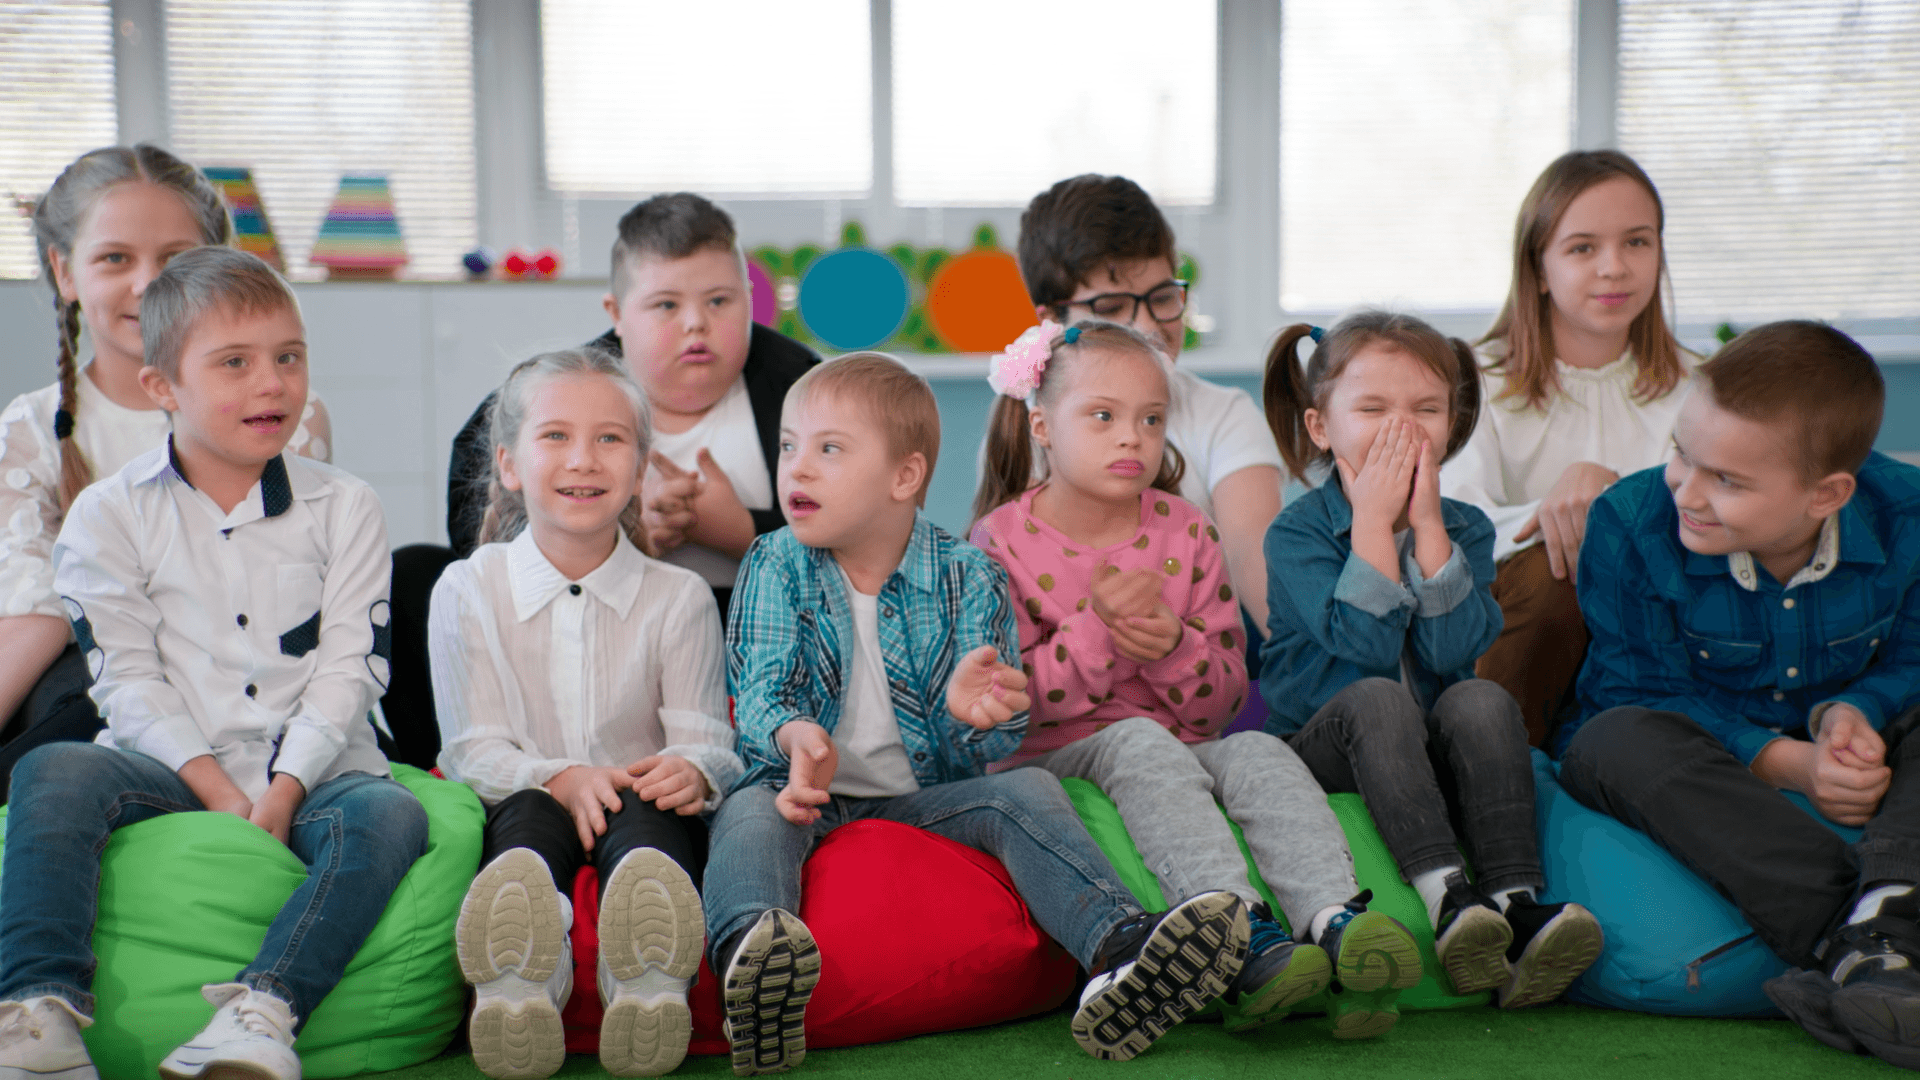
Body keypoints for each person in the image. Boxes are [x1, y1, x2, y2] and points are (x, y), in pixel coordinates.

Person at [707, 354, 1248, 1074]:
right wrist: (794, 734)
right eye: (788, 447)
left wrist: (979, 713)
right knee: (749, 815)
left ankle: (1119, 948)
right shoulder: (774, 562)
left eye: (828, 449)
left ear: (904, 477)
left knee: (1025, 788)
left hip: (920, 797)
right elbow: (761, 688)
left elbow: (991, 736)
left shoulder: (970, 575)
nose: (796, 470)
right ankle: (755, 966)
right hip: (804, 788)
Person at [0, 246, 424, 1080]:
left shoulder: (346, 506)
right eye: (235, 363)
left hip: (320, 770)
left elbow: (351, 669)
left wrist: (289, 785)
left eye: (288, 358)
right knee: (52, 770)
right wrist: (221, 792)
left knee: (394, 817)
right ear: (164, 387)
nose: (272, 384)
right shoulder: (106, 515)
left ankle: (263, 1011)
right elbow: (125, 680)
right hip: (173, 766)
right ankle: (35, 1011)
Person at [970, 319, 1420, 1038]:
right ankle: (1240, 933)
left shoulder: (1187, 529)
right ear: (1042, 425)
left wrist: (1174, 646)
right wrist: (1098, 637)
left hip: (1182, 742)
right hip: (1065, 750)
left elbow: (1223, 703)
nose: (1132, 438)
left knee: (1259, 749)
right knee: (1139, 742)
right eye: (1104, 417)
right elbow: (1013, 708)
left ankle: (1337, 920)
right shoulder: (997, 542)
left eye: (1152, 419)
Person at [1557, 322, 1920, 1070]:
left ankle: (1879, 925)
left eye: (1728, 480)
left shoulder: (1907, 516)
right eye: (1682, 454)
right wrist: (1789, 763)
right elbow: (1642, 692)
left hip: (1848, 742)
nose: (1687, 491)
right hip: (1680, 752)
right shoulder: (1630, 523)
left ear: (1827, 494)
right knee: (1611, 738)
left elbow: (1913, 657)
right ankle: (1867, 938)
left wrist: (1857, 711)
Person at [383, 193, 818, 771]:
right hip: (588, 618)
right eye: (666, 305)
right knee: (414, 574)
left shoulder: (801, 386)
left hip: (742, 632)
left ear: (750, 301)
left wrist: (743, 532)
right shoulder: (565, 388)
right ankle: (459, 769)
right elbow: (480, 518)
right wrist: (619, 533)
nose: (697, 323)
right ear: (617, 312)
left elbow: (856, 536)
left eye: (720, 301)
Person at [1260, 311, 1602, 1009]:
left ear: (1454, 422)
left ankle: (1513, 901)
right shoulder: (1296, 531)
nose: (1402, 429)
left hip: (1429, 744)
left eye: (1427, 409)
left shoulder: (1465, 528)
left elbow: (1456, 649)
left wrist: (1424, 528)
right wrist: (1369, 527)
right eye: (1373, 408)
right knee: (1380, 698)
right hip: (1327, 747)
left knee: (1481, 698)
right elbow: (1366, 648)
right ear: (1322, 428)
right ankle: (1447, 897)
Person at [433, 349, 738, 1078]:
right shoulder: (467, 588)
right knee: (526, 826)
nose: (585, 459)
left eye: (610, 439)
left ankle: (649, 981)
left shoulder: (680, 596)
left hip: (639, 798)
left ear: (639, 471)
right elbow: (473, 749)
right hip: (523, 793)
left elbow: (709, 739)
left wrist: (693, 773)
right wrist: (561, 776)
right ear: (509, 465)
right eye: (556, 437)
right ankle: (523, 983)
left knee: (649, 822)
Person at [0, 144, 332, 800]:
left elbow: (286, 589)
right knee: (82, 692)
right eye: (115, 258)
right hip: (95, 683)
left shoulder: (287, 411)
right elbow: (35, 614)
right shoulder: (30, 429)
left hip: (247, 672)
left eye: (176, 260)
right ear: (64, 271)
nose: (147, 283)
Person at [1441, 150, 1697, 747]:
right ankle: (1492, 767)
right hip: (1520, 627)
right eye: (1582, 248)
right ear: (1537, 269)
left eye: (1637, 242)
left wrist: (1611, 505)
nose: (1614, 268)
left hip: (1656, 620)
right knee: (1555, 571)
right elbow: (1453, 527)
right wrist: (1562, 510)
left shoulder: (1702, 389)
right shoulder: (1472, 380)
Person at [1002, 174, 1285, 648]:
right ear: (1053, 322)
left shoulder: (1225, 416)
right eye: (1111, 307)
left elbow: (1265, 590)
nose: (1147, 325)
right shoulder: (1027, 424)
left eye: (1161, 298)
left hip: (1204, 671)